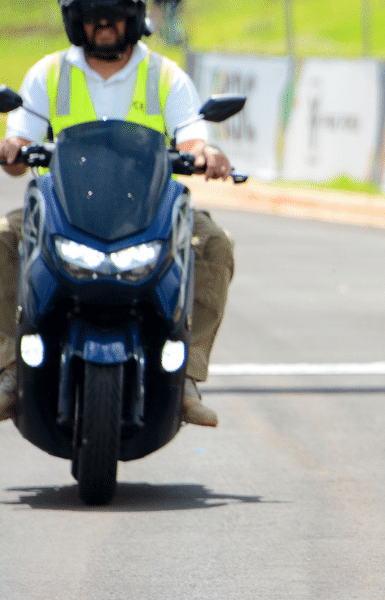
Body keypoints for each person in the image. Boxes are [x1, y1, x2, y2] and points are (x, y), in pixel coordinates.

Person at [0, 0, 234, 427]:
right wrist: (11, 148)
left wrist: (205, 153)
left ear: (134, 16)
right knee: (1, 236)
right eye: (93, 13)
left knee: (214, 244)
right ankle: (10, 368)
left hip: (149, 210)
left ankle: (187, 375)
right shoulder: (47, 73)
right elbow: (18, 152)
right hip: (61, 210)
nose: (104, 23)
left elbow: (191, 138)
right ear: (76, 20)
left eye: (114, 13)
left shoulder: (166, 75)